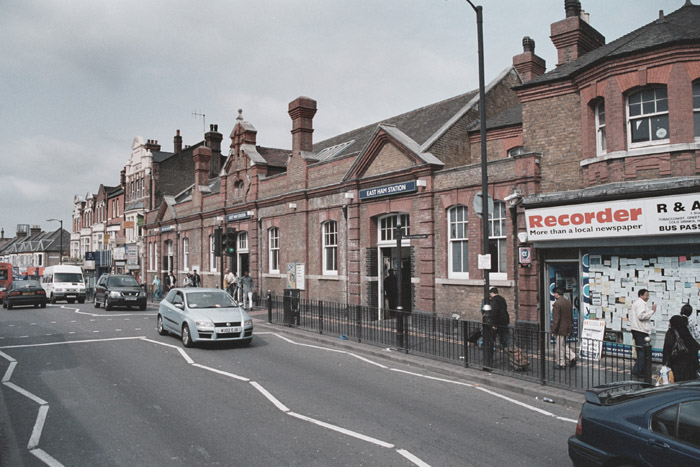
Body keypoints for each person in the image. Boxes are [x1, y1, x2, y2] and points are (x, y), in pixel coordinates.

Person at [662, 314, 700, 382]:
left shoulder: (671, 332)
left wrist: (665, 362)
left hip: (677, 365)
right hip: (690, 368)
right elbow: (695, 347)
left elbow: (667, 348)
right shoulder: (686, 332)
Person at [630, 288, 657, 378]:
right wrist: (652, 311)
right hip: (640, 330)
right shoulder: (640, 304)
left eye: (648, 295)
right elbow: (641, 316)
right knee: (642, 351)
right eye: (646, 295)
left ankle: (638, 370)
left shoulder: (638, 303)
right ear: (641, 295)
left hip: (638, 329)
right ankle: (637, 371)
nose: (647, 297)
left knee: (641, 351)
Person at [552, 287, 575, 369]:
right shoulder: (568, 302)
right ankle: (572, 356)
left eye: (554, 293)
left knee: (559, 347)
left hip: (560, 329)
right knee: (563, 344)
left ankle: (561, 363)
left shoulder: (557, 304)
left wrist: (553, 330)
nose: (553, 294)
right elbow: (570, 317)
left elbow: (556, 319)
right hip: (567, 328)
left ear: (557, 294)